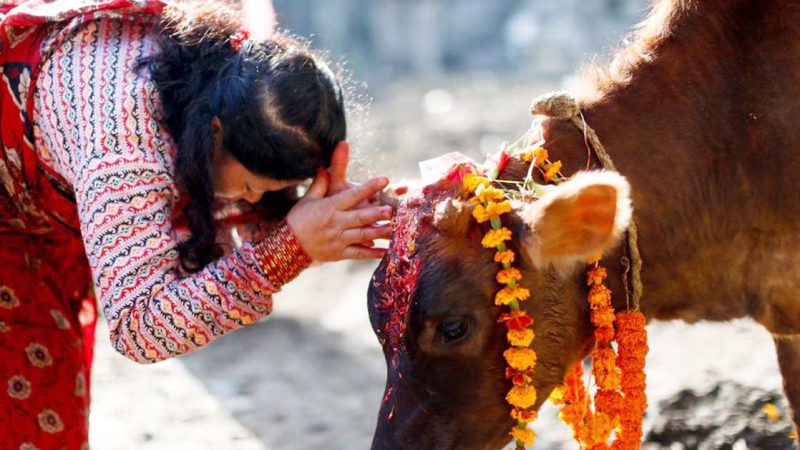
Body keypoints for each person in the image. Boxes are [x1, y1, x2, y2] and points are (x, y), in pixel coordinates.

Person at [0, 0, 393, 448]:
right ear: (216, 132)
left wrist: (329, 218)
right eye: (248, 185)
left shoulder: (222, 71)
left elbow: (225, 226)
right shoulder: (125, 149)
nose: (252, 201)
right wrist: (289, 250)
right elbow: (139, 325)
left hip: (40, 214)